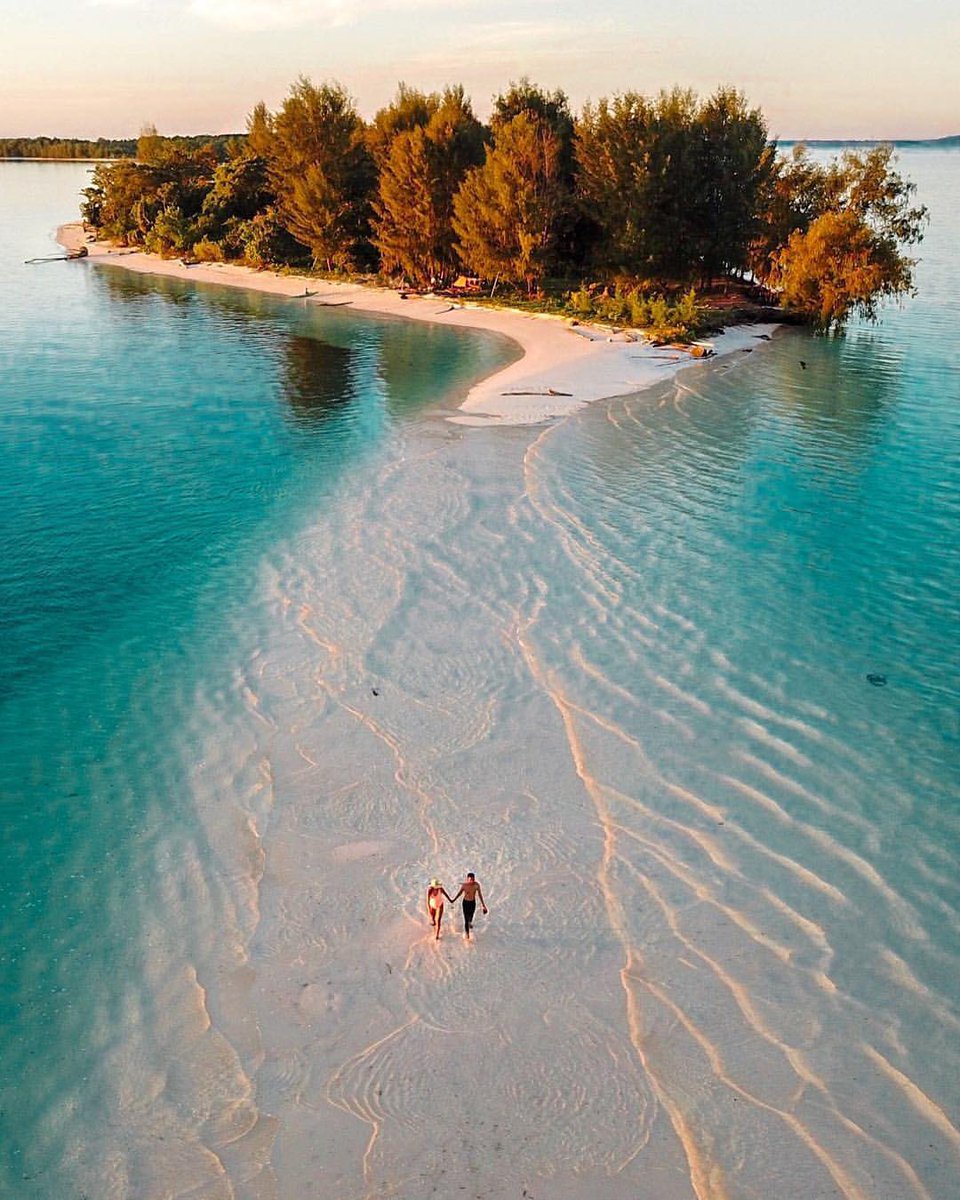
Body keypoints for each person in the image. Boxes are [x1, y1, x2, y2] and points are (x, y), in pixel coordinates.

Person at [451, 872, 487, 940]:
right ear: (467, 879)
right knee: (466, 919)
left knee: (471, 915)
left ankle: (470, 922)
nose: (472, 881)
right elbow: (459, 893)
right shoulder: (464, 886)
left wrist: (483, 905)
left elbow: (480, 895)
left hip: (472, 902)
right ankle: (467, 935)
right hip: (465, 903)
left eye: (473, 879)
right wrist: (453, 900)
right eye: (470, 880)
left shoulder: (476, 885)